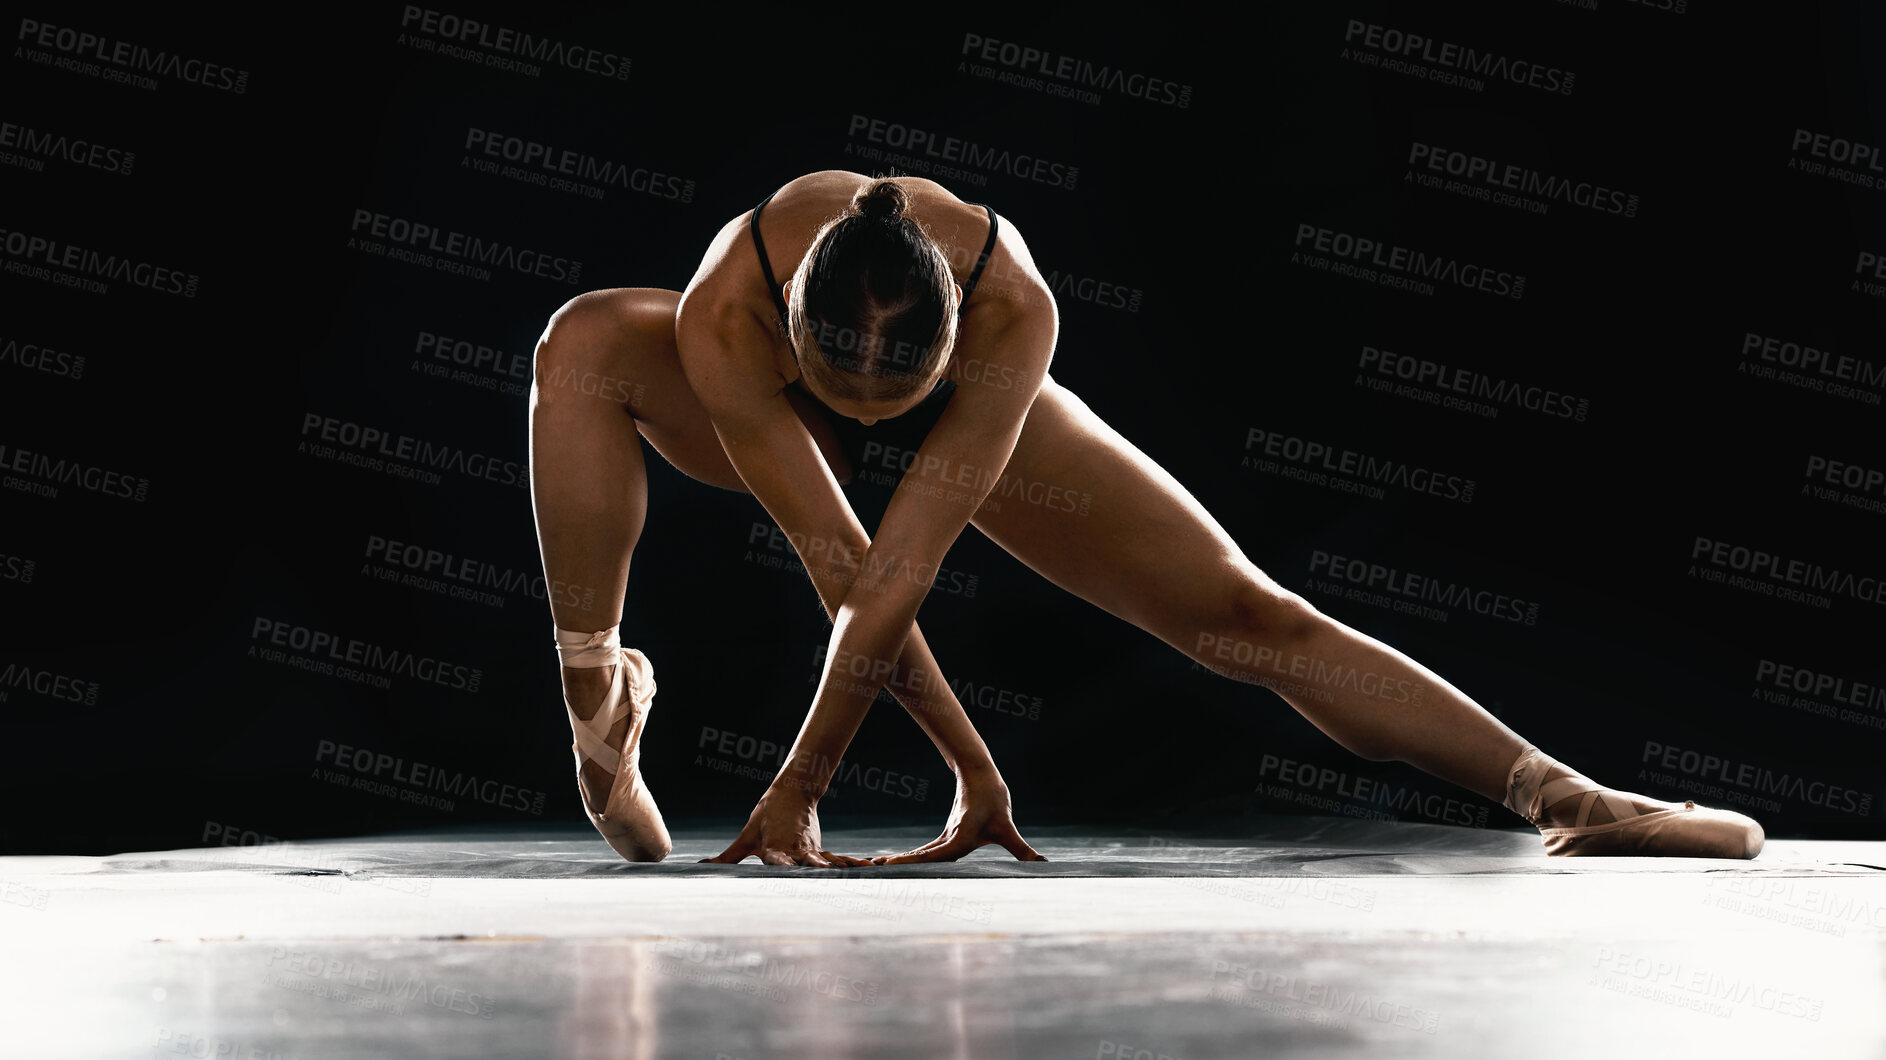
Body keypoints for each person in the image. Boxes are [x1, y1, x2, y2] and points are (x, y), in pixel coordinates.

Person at [527, 170, 1764, 867]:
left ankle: (1565, 794)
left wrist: (822, 780)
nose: (864, 420)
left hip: (947, 412)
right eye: (841, 394)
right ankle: (592, 678)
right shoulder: (722, 310)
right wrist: (949, 762)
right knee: (580, 341)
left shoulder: (1013, 304)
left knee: (1246, 610)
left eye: (890, 400)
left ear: (952, 338)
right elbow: (842, 563)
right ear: (789, 324)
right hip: (745, 388)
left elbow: (896, 573)